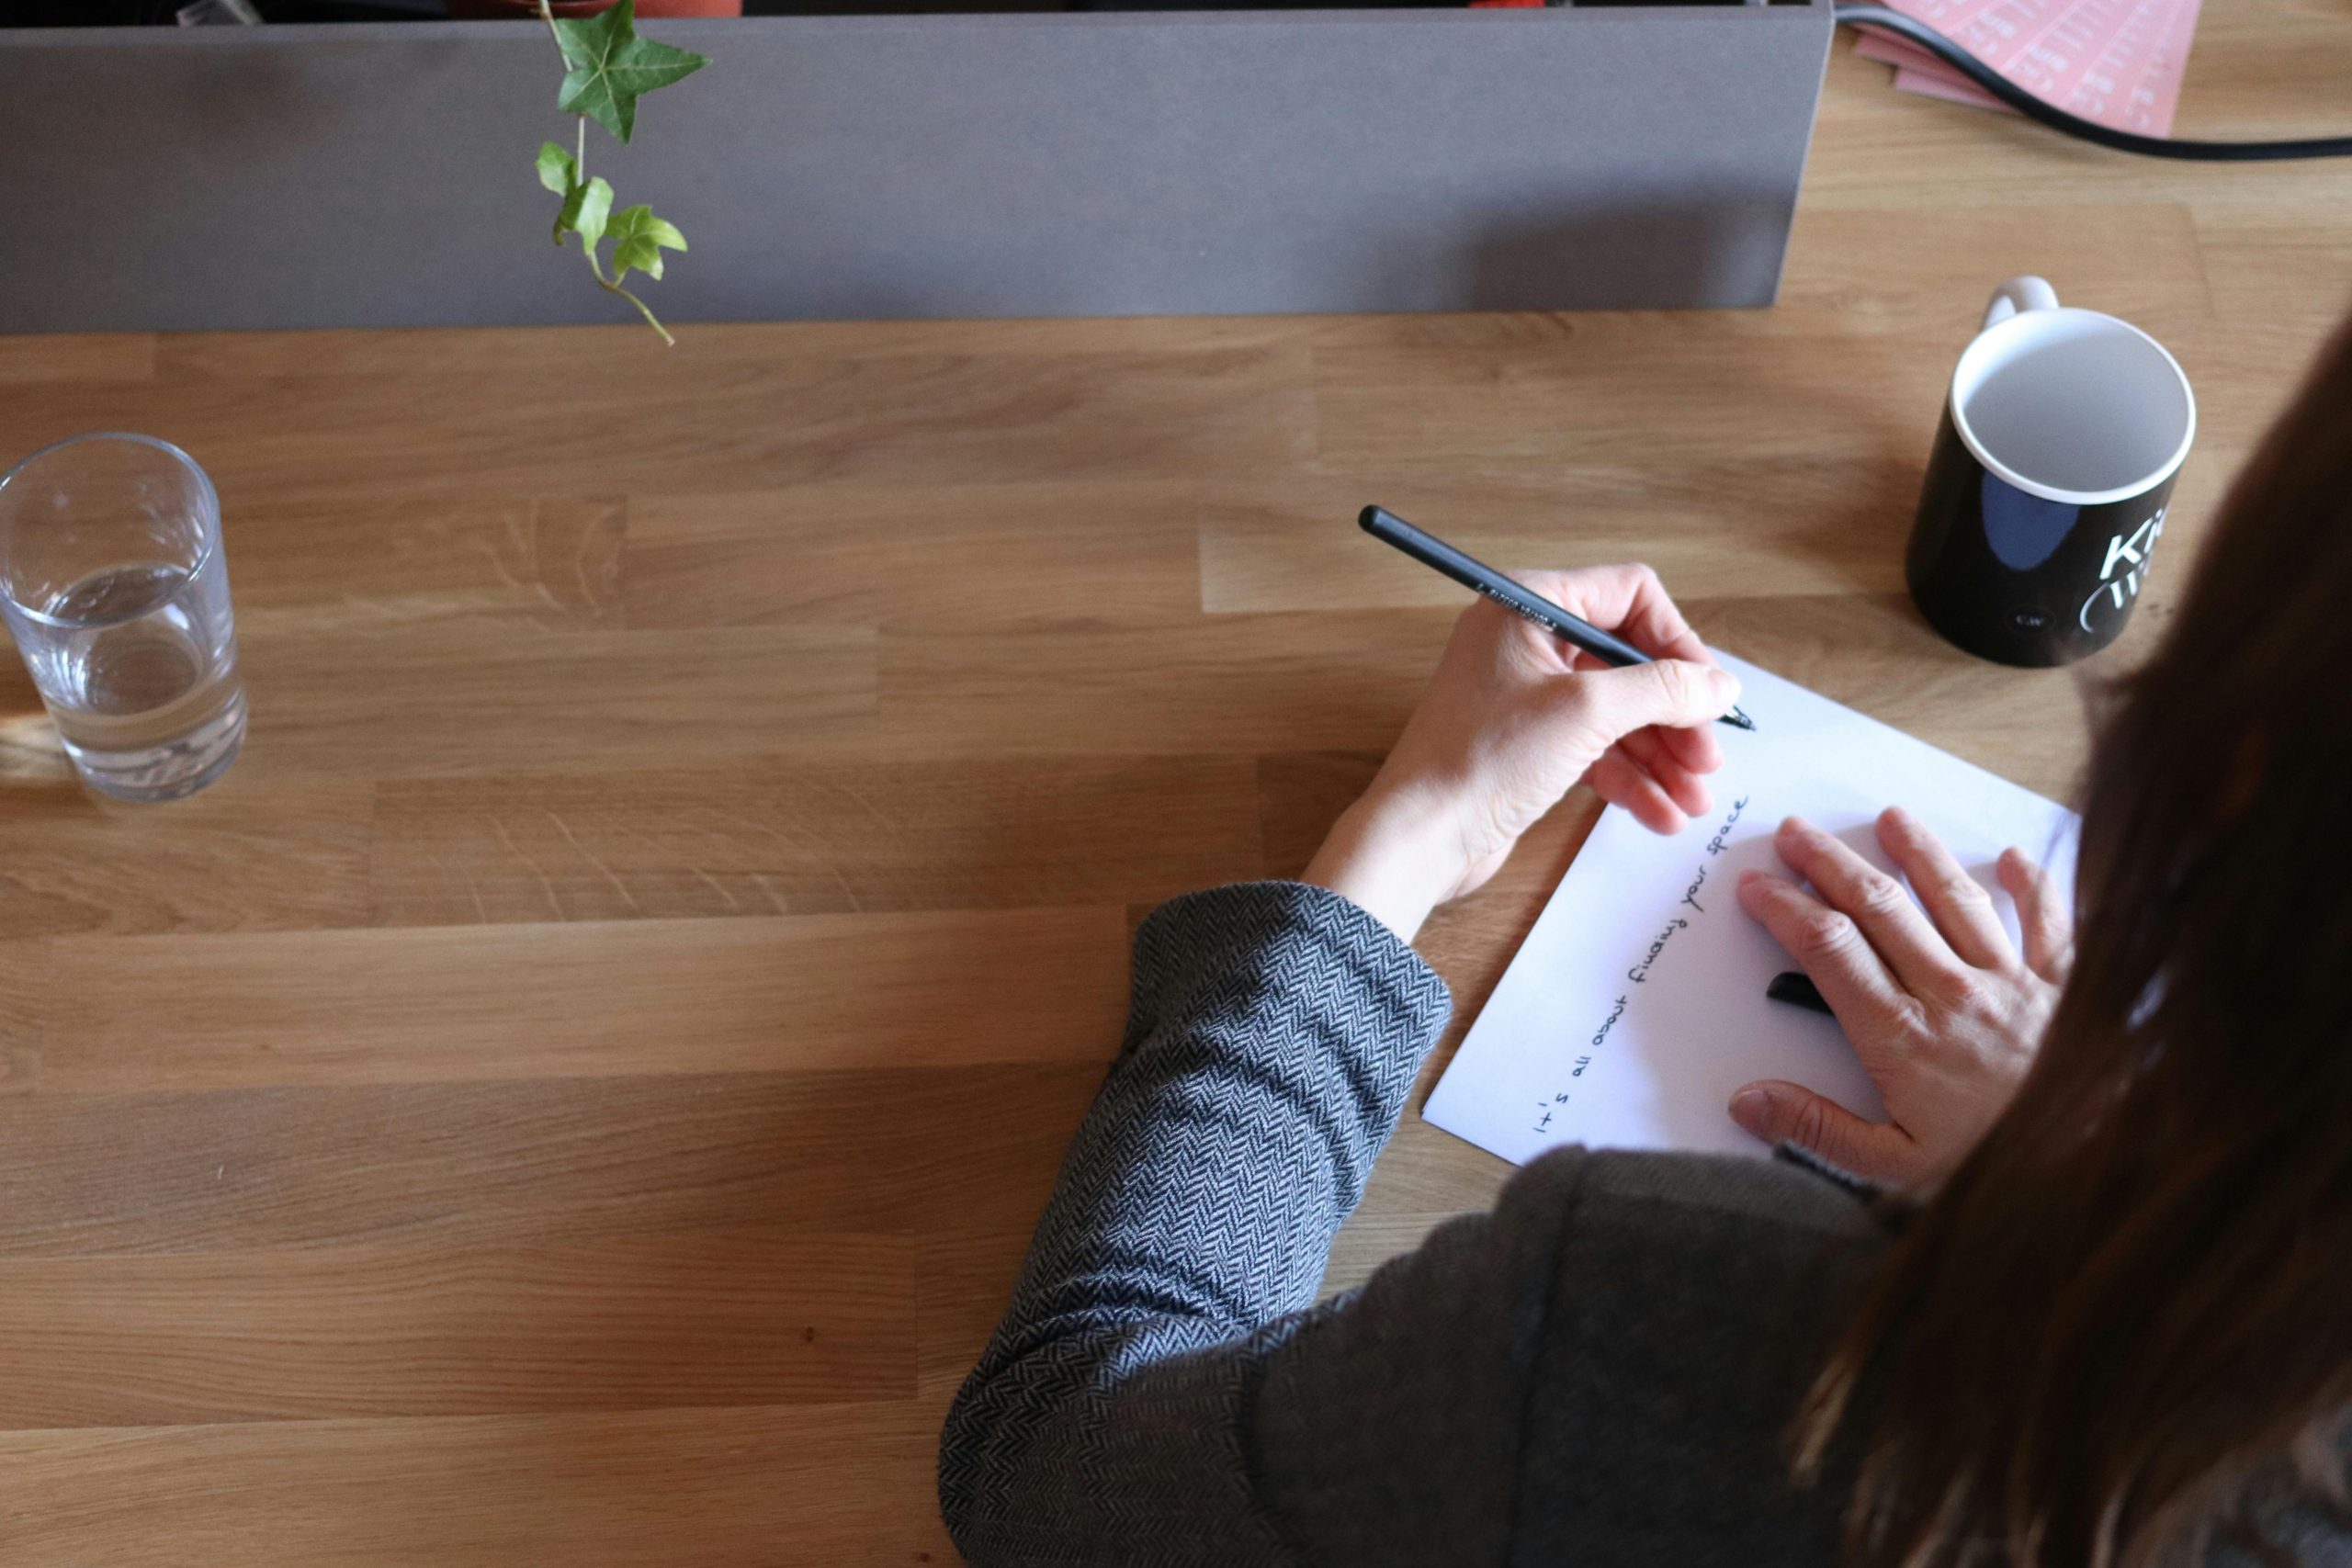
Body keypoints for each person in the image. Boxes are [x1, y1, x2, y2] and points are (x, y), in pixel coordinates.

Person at [938, 315, 2352, 1567]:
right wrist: (2092, 1181)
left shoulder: (1661, 1327)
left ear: (2215, 763)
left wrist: (1409, 841)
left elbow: (1058, 1473)